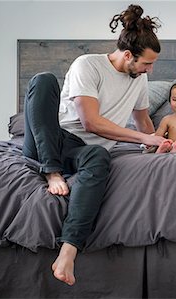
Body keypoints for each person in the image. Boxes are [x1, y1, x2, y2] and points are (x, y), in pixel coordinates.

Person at [22, 4, 165, 286]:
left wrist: (159, 142)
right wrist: (144, 138)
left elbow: (143, 122)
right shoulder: (88, 65)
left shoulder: (139, 79)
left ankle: (69, 249)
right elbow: (91, 122)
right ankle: (50, 171)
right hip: (52, 141)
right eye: (147, 63)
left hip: (82, 153)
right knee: (43, 80)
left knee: (99, 155)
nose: (151, 68)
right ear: (128, 55)